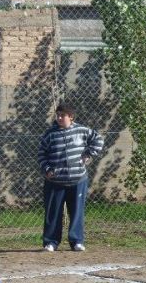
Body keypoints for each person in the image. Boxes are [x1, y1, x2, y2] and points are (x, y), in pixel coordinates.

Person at [37, 102, 103, 252]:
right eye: (58, 115)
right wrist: (47, 168)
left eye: (63, 115)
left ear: (71, 117)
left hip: (78, 180)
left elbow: (98, 140)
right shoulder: (50, 134)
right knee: (53, 213)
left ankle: (77, 241)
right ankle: (51, 242)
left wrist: (88, 154)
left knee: (77, 211)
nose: (59, 118)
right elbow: (41, 154)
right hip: (55, 182)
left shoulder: (82, 130)